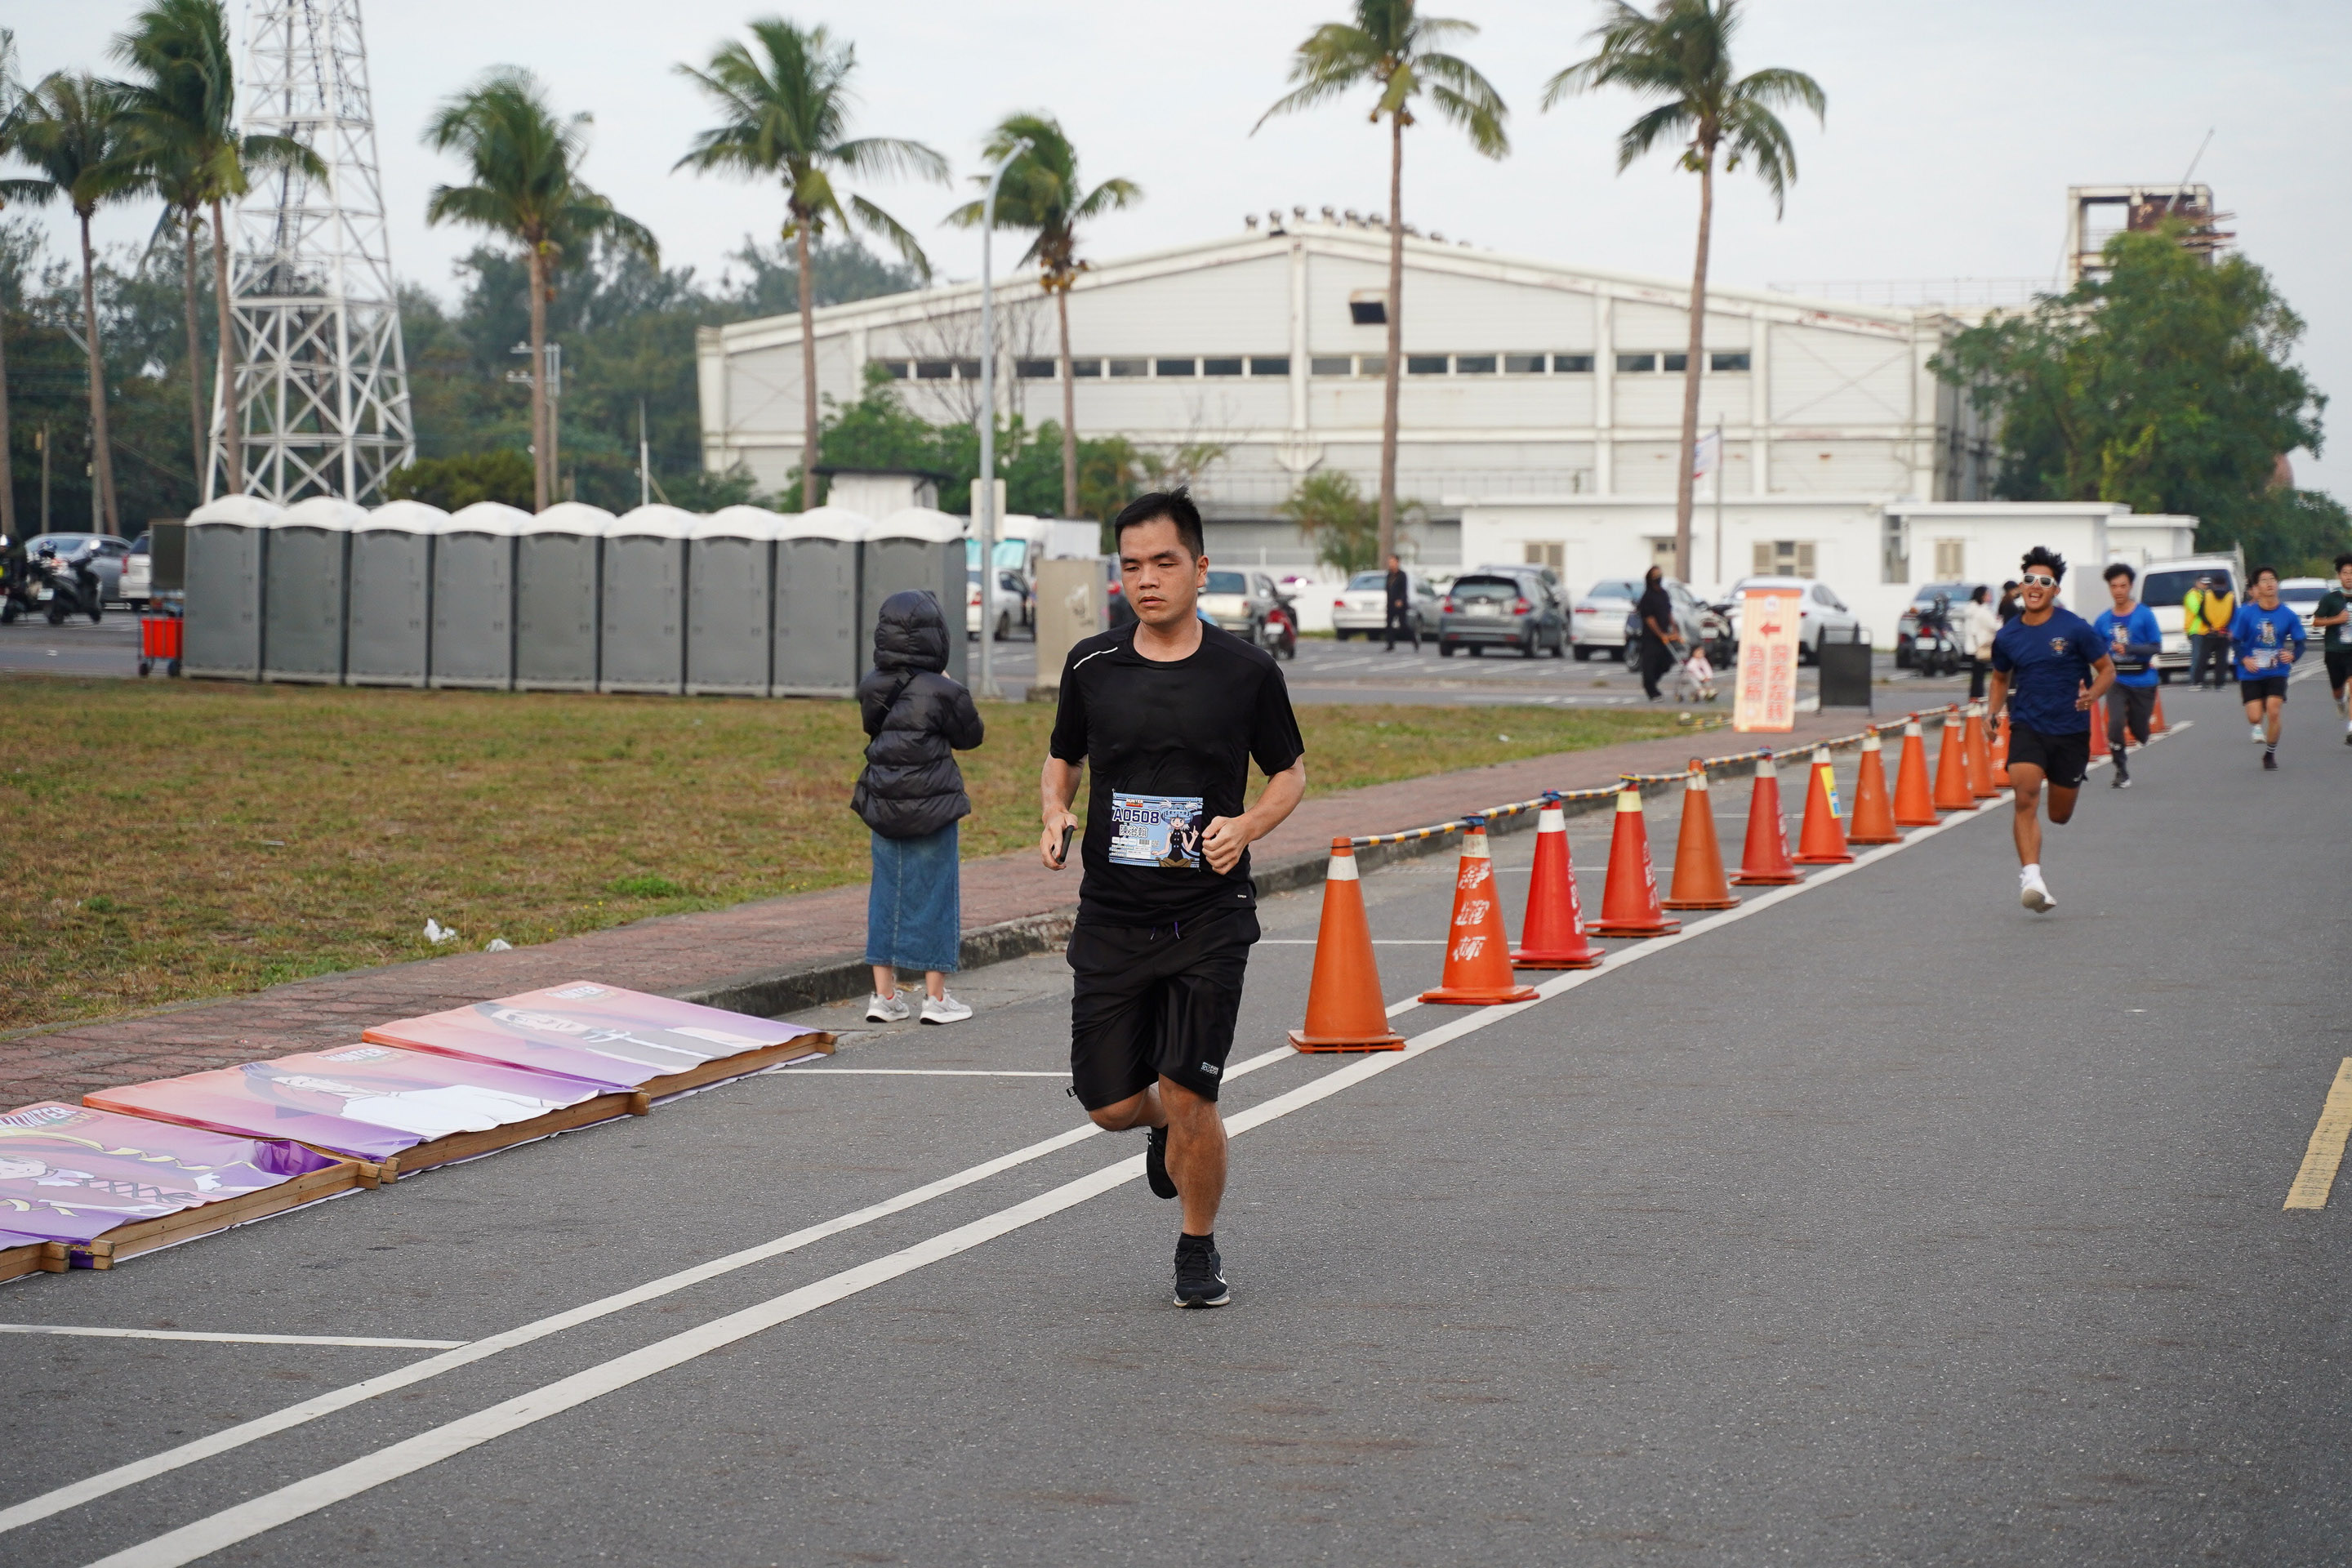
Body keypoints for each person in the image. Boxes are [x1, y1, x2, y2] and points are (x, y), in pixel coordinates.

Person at [1040, 487, 1307, 1308]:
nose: (1147, 580)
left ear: (1200, 568)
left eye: (1164, 563)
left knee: (1194, 1092)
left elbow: (1290, 774)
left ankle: (1197, 1245)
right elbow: (1063, 758)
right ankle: (1160, 1126)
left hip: (1209, 916)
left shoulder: (1246, 672)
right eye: (1131, 567)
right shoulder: (1091, 665)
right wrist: (1054, 810)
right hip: (1113, 916)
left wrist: (1247, 825)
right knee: (1111, 1105)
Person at [854, 590, 985, 1024]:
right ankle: (936, 998)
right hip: (933, 804)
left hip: (883, 800)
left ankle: (883, 996)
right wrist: (947, 683)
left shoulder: (872, 685)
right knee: (935, 893)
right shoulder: (944, 690)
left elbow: (874, 729)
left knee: (886, 894)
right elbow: (971, 736)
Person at [1986, 546, 2115, 913]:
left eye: (2045, 582)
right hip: (2028, 725)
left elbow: (2107, 670)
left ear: (2055, 590)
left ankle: (2036, 875)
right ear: (2021, 587)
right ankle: (2032, 879)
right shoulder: (2008, 636)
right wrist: (1992, 712)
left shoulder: (2075, 628)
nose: (2035, 587)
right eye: (2029, 580)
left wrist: (2092, 694)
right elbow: (2000, 678)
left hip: (2071, 732)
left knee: (2059, 814)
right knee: (2024, 796)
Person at [2091, 564, 2162, 788]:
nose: (2118, 591)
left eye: (2123, 586)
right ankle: (2121, 770)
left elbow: (2156, 646)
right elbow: (2094, 649)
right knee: (2115, 725)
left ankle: (2139, 726)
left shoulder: (2144, 615)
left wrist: (2129, 649)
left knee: (2140, 732)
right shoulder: (2103, 620)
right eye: (2114, 586)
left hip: (2143, 679)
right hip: (2117, 680)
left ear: (2130, 586)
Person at [2230, 565, 2305, 771]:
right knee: (2255, 717)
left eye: (2272, 579)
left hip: (2277, 670)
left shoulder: (2288, 614)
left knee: (2274, 712)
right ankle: (2261, 703)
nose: (2269, 583)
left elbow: (2300, 643)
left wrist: (2293, 655)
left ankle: (2270, 754)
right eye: (2264, 580)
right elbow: (2235, 641)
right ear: (2256, 587)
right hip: (2252, 672)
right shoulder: (2247, 614)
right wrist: (2244, 659)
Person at [2316, 551, 2352, 742]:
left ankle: (2351, 728)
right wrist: (2336, 619)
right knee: (2338, 690)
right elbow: (2316, 621)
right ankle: (2339, 701)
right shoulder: (2330, 599)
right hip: (2334, 650)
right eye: (2345, 573)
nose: (2349, 577)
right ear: (2339, 575)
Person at [1635, 565, 1680, 702]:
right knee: (1649, 664)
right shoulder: (1647, 597)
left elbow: (1669, 613)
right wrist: (1660, 634)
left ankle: (1653, 681)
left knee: (1666, 662)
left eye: (1659, 575)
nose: (1658, 578)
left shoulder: (1664, 594)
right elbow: (1650, 619)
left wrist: (1674, 630)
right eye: (1655, 575)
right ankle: (1652, 691)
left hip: (1665, 634)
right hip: (1651, 637)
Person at [2189, 574, 2236, 690]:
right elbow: (2233, 614)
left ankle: (2199, 681)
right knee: (2221, 660)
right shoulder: (2231, 597)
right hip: (2223, 632)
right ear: (2225, 584)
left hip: (2210, 631)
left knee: (2203, 658)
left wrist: (2209, 625)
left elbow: (2201, 612)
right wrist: (2225, 627)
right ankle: (2219, 684)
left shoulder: (2207, 595)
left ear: (2214, 584)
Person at [1962, 585, 2001, 701]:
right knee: (1979, 676)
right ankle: (1977, 700)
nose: (1990, 596)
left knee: (1976, 676)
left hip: (1972, 646)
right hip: (1982, 646)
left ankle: (1974, 699)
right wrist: (2001, 621)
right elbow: (1995, 626)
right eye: (1987, 594)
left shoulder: (1971, 610)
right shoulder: (1982, 612)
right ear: (1982, 596)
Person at [1382, 553, 1418, 651]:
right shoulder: (1389, 575)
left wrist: (1401, 600)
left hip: (1400, 604)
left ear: (1397, 562)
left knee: (1403, 625)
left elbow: (1404, 590)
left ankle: (1413, 639)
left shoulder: (1402, 575)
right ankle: (1390, 645)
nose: (1391, 564)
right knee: (1389, 624)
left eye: (1392, 562)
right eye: (1390, 562)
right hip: (1390, 603)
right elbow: (1388, 588)